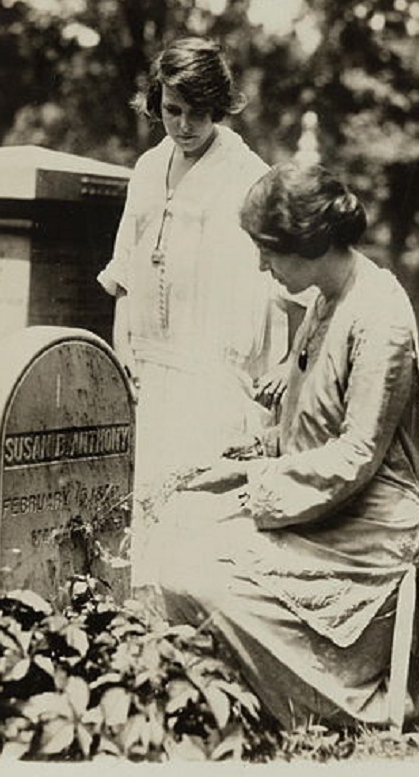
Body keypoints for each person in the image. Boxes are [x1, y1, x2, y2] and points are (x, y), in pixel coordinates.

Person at [155, 162, 419, 728]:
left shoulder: (380, 317)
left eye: (269, 252)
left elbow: (356, 456)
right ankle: (224, 692)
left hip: (368, 526)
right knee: (179, 534)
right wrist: (244, 456)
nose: (262, 265)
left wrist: (250, 486)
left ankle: (336, 698)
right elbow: (309, 426)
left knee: (193, 573)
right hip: (322, 501)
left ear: (309, 244)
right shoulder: (327, 299)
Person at [97, 38, 286, 587]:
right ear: (156, 103)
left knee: (195, 496)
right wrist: (123, 344)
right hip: (150, 359)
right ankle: (143, 619)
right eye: (172, 111)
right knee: (144, 494)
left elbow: (280, 279)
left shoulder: (248, 176)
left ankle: (193, 619)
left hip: (213, 366)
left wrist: (277, 362)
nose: (183, 126)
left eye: (198, 113)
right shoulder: (148, 166)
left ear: (220, 108)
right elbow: (128, 264)